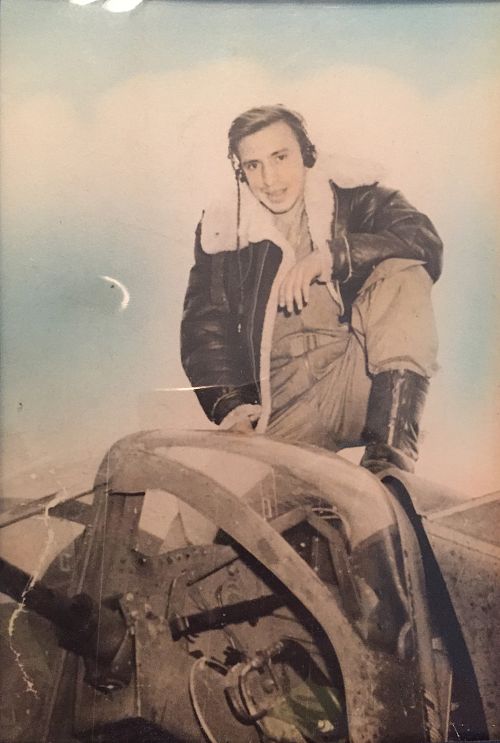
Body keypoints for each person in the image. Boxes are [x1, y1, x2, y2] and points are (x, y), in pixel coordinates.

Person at [181, 105, 442, 473]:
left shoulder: (355, 195)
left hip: (356, 376)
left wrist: (331, 257)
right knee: (223, 503)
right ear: (240, 170)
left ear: (305, 152)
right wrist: (231, 408)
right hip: (284, 401)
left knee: (402, 271)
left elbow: (422, 240)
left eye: (280, 157)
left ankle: (390, 459)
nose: (270, 179)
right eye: (254, 165)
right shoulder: (224, 229)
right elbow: (203, 328)